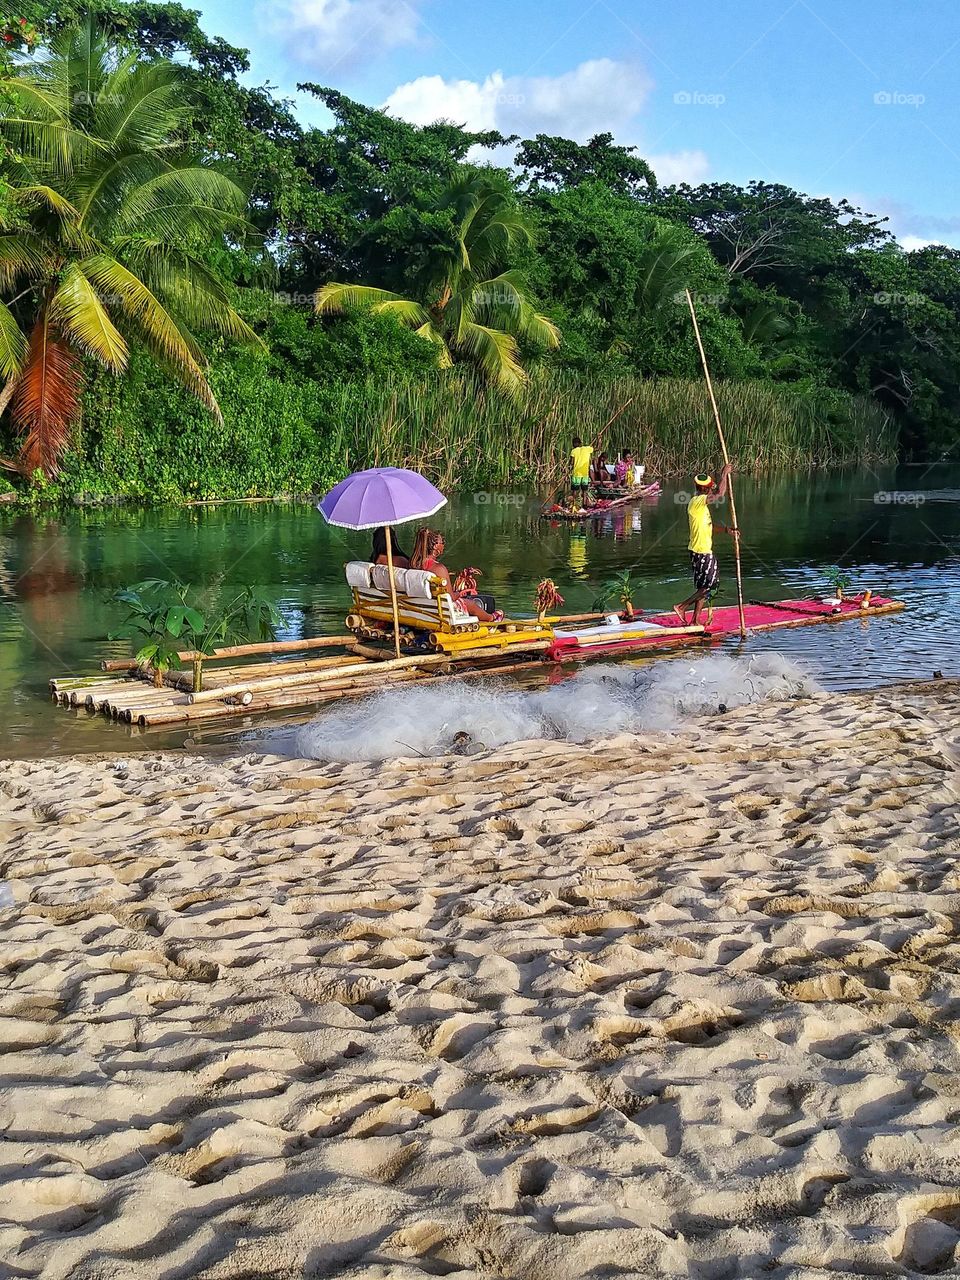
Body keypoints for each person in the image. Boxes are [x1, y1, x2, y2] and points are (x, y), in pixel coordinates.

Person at [673, 464, 737, 625]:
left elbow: (709, 526)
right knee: (711, 586)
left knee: (702, 587)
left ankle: (695, 620)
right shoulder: (697, 501)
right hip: (702, 551)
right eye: (709, 488)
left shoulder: (700, 506)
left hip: (699, 550)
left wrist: (726, 530)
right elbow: (720, 494)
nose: (711, 491)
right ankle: (681, 606)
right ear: (705, 489)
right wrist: (724, 474)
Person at [410, 528, 502, 622]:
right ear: (435, 546)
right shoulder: (439, 568)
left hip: (418, 607)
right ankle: (491, 618)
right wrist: (460, 592)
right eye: (442, 542)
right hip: (438, 609)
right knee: (470, 604)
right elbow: (451, 598)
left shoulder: (412, 565)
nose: (444, 545)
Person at [570, 436, 594, 503]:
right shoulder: (587, 449)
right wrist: (599, 439)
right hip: (585, 474)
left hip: (576, 474)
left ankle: (573, 504)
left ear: (573, 444)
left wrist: (570, 467)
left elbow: (571, 462)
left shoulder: (573, 451)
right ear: (580, 443)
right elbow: (598, 448)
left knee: (575, 490)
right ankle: (584, 505)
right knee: (584, 491)